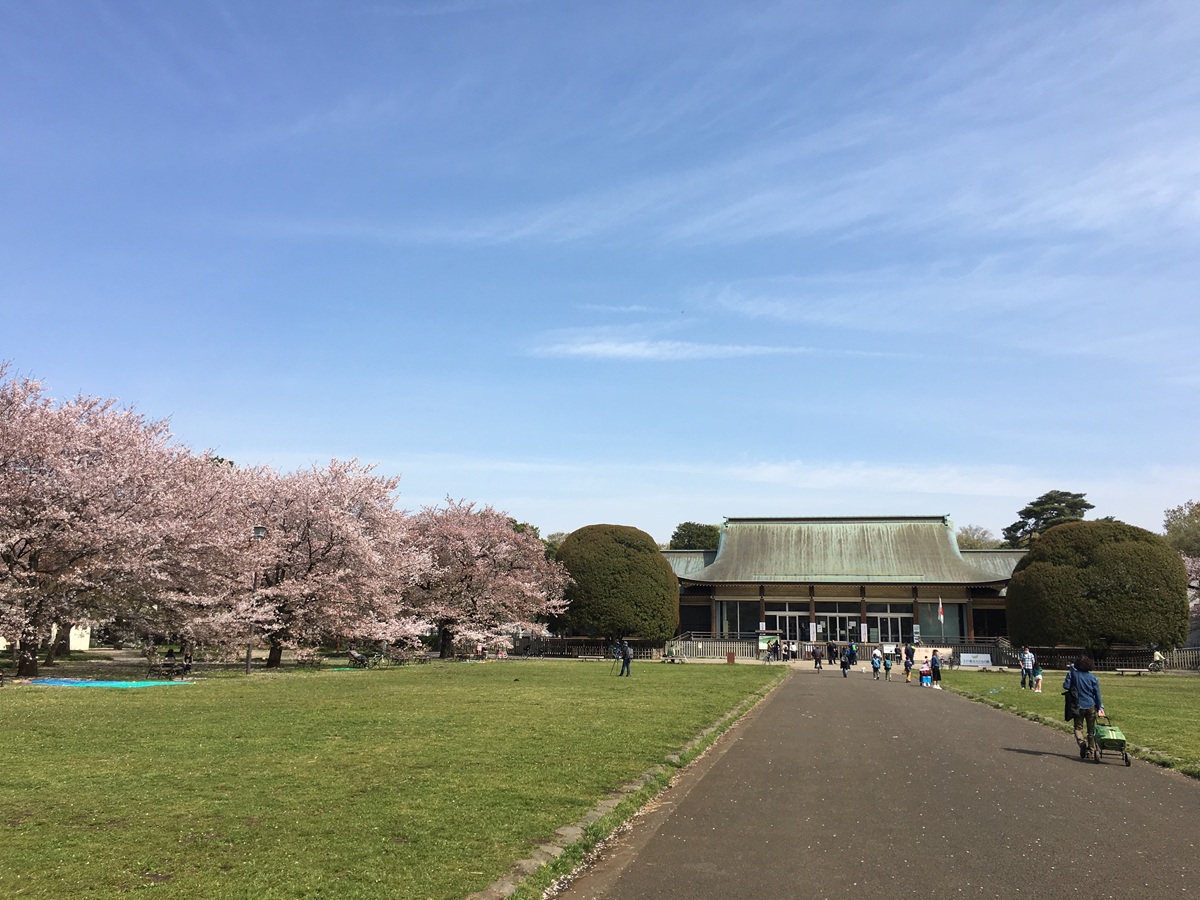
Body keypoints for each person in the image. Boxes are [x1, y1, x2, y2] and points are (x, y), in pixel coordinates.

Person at [1063, 656, 1104, 758]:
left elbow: (1066, 686)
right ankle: (1091, 751)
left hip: (1078, 705)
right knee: (1091, 730)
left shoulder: (1073, 675)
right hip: (1091, 705)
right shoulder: (1093, 678)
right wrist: (1100, 707)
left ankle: (1081, 743)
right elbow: (1097, 694)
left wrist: (1069, 674)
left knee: (1078, 727)